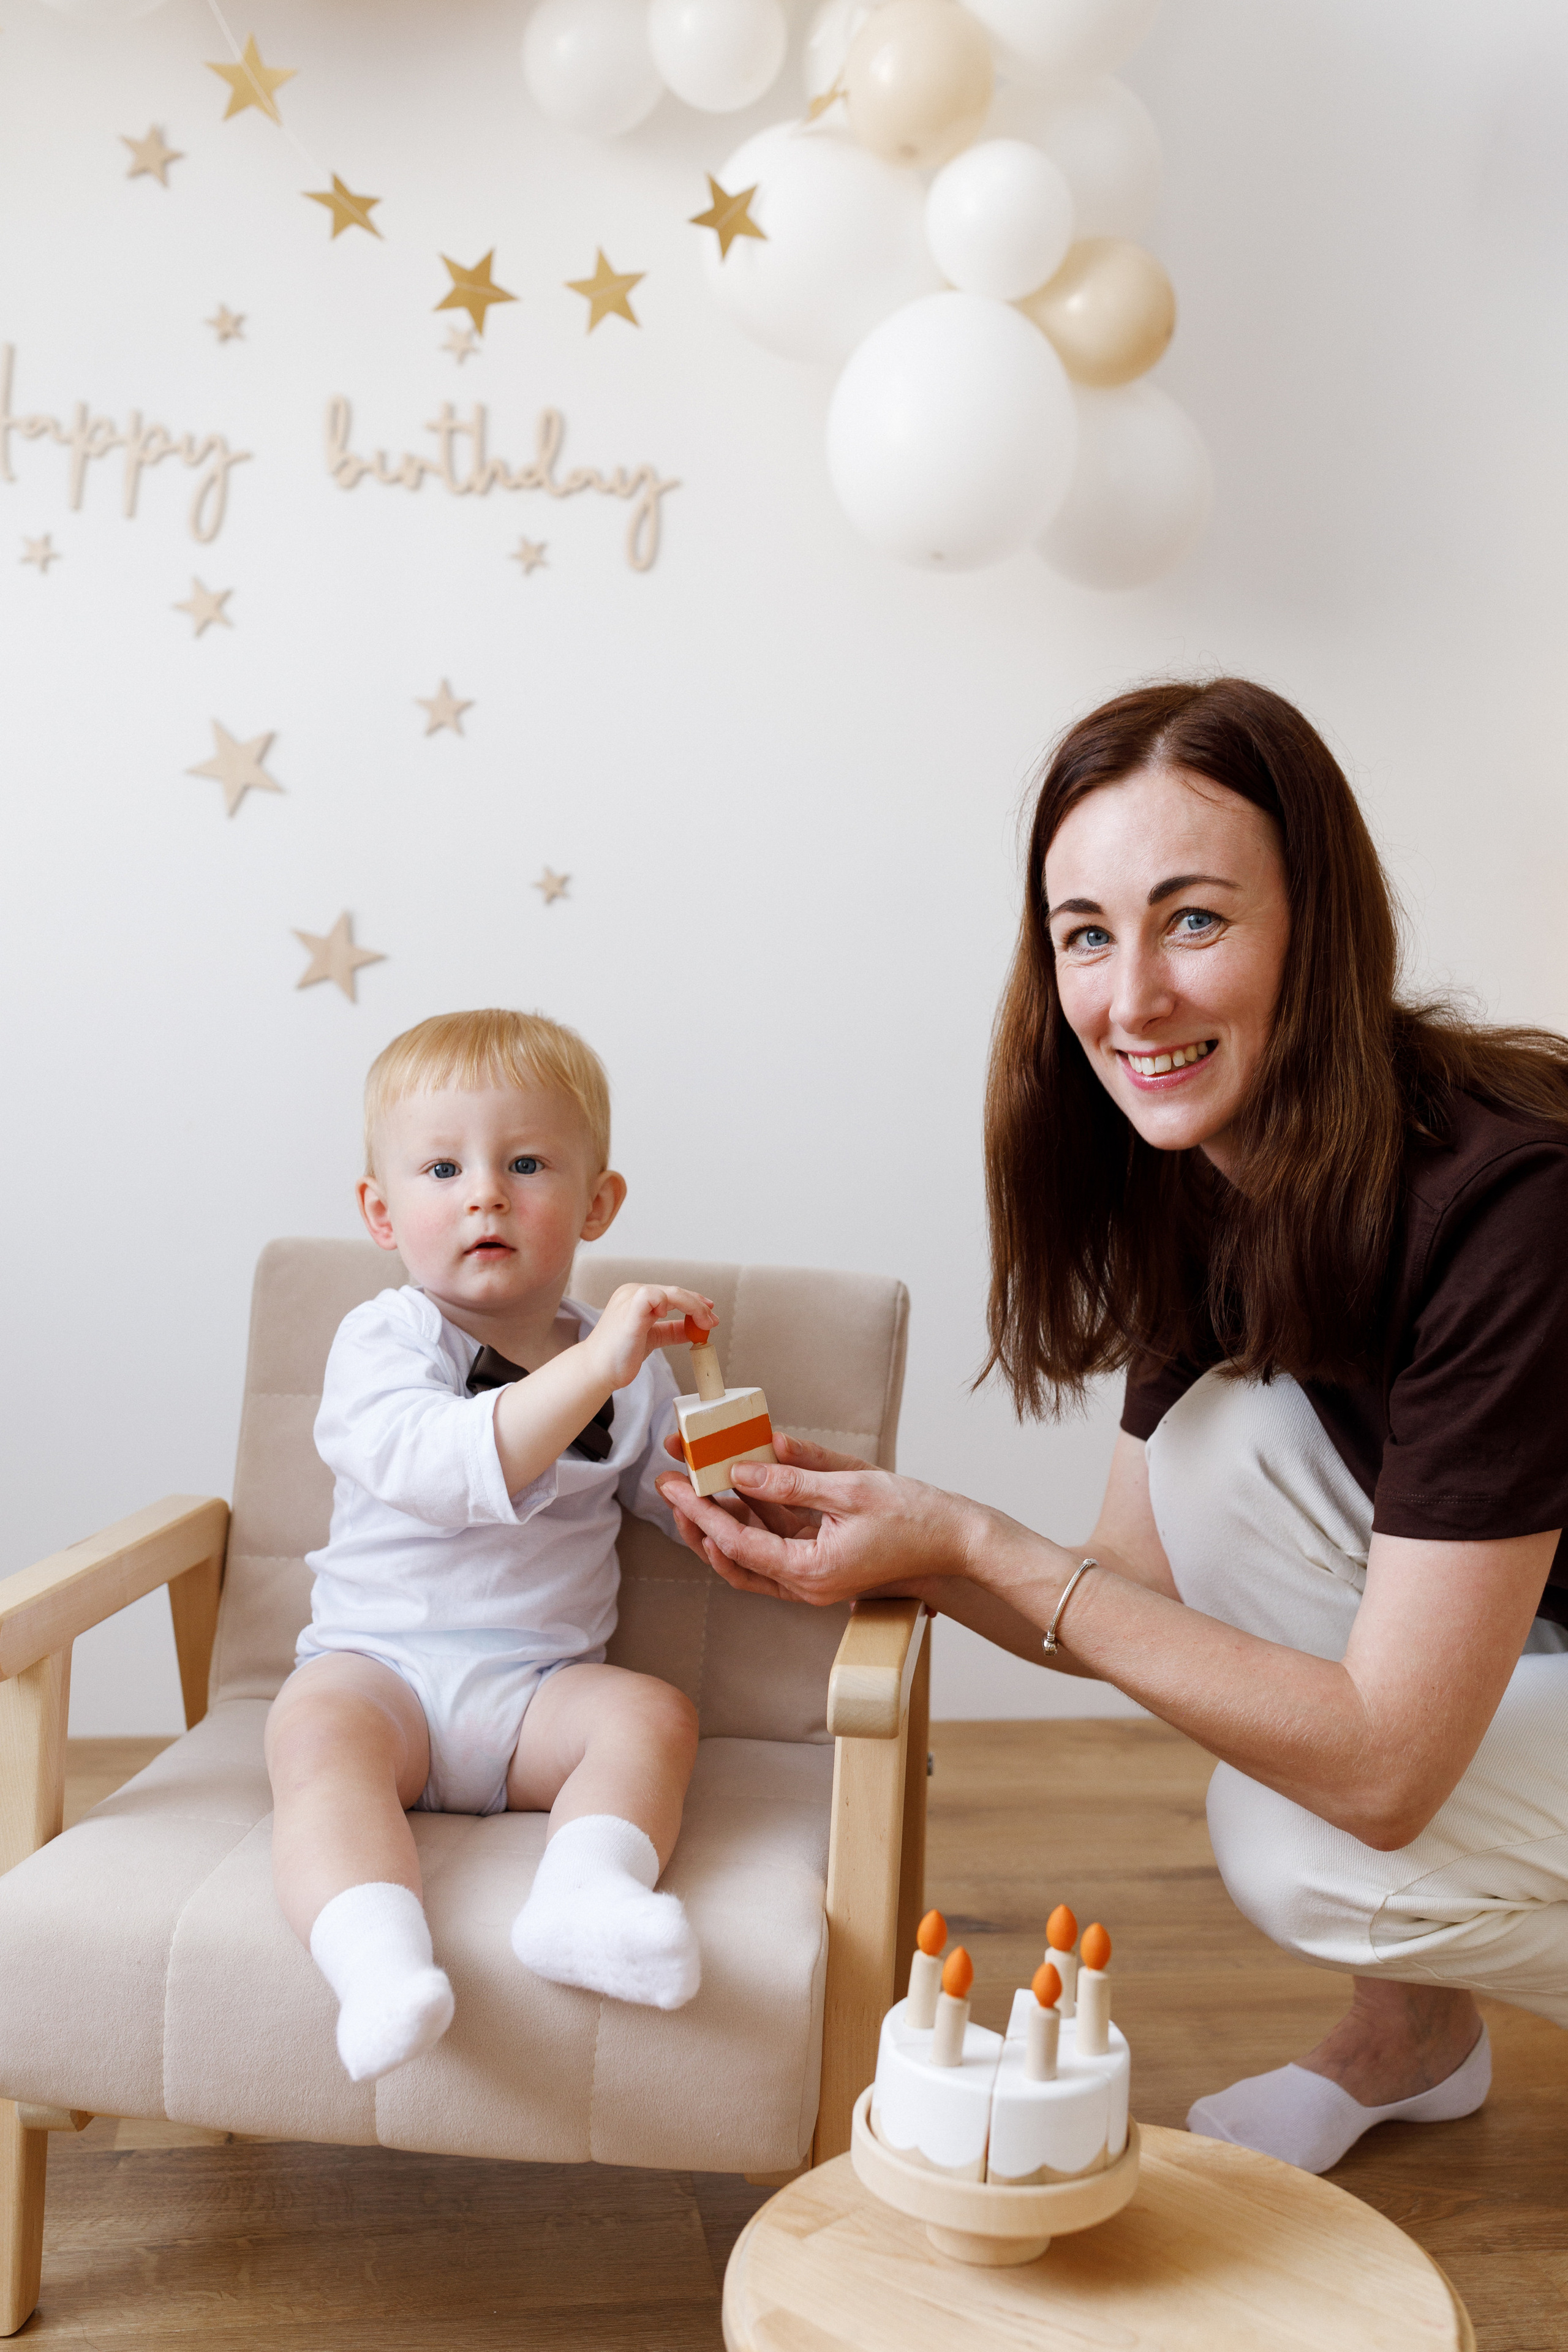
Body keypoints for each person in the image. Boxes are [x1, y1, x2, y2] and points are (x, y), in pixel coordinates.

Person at [658, 678, 1568, 2176]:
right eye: (1085, 934)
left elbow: (1387, 1768)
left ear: (1316, 931)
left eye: (1191, 921)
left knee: (1303, 1845)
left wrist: (971, 1540)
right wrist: (901, 1541)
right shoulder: (1204, 1175)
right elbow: (1118, 1585)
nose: (1126, 1000)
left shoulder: (1507, 1210)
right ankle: (1416, 2041)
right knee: (1226, 1441)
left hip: (1490, 1680)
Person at [265, 1008, 714, 2084]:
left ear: (598, 1202)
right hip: (383, 1676)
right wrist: (601, 1364)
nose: (484, 1194)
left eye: (524, 1163)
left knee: (653, 1715)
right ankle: (378, 1964)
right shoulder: (385, 1340)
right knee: (314, 1738)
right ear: (381, 1210)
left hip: (537, 1694)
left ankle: (584, 1897)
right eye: (440, 1168)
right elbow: (451, 1462)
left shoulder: (626, 1366)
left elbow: (663, 1494)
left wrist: (732, 1490)